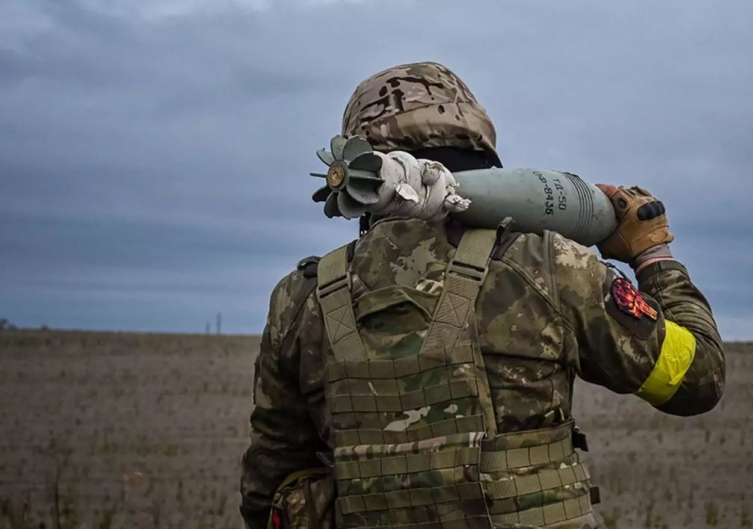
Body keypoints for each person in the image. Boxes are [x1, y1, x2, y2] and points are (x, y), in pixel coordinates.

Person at [240, 61, 726, 529]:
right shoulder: (549, 266)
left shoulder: (302, 298)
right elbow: (696, 380)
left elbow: (270, 481)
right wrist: (653, 254)